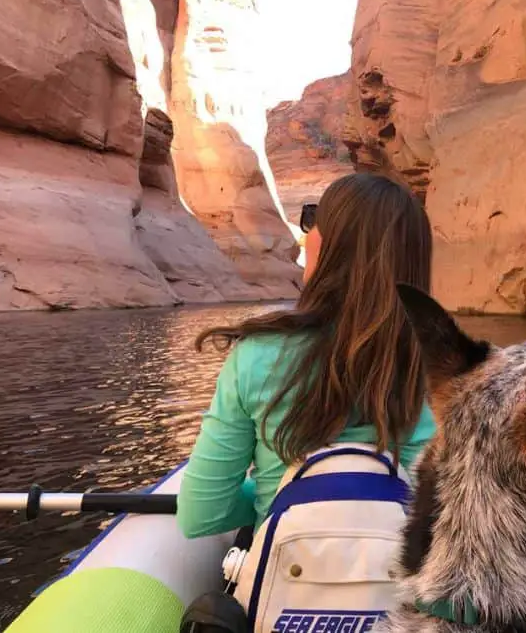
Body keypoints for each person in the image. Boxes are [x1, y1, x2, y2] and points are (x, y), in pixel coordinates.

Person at [176, 173, 436, 540]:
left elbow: (199, 515)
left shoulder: (257, 355)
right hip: (398, 585)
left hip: (289, 580)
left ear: (331, 244)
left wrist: (269, 493)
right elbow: (443, 506)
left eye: (313, 219)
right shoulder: (441, 367)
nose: (307, 233)